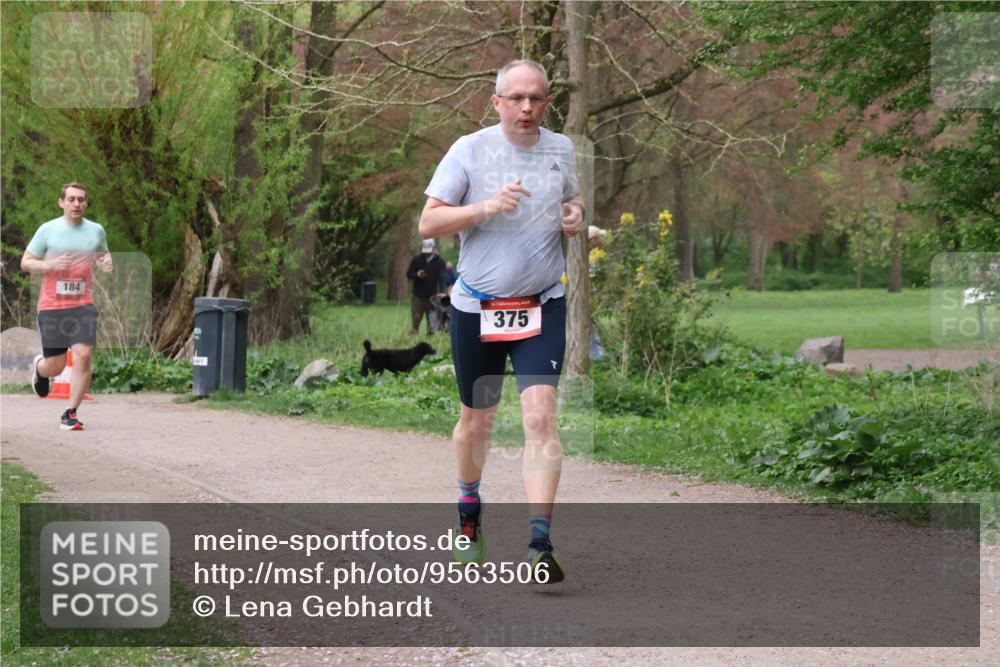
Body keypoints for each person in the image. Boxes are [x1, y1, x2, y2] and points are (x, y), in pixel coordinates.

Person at [418, 59, 585, 583]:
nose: (527, 108)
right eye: (516, 98)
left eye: (536, 98)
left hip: (542, 304)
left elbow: (572, 197)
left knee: (539, 419)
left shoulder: (561, 148)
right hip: (478, 308)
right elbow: (429, 220)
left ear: (547, 101)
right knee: (477, 422)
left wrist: (575, 214)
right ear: (497, 102)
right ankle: (469, 509)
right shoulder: (469, 150)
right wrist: (485, 206)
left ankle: (540, 543)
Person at [21, 183, 112, 431]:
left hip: (83, 304)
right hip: (52, 306)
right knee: (57, 365)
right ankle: (40, 368)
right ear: (61, 202)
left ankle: (70, 413)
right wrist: (49, 266)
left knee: (83, 356)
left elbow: (103, 253)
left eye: (81, 200)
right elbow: (26, 262)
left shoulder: (96, 231)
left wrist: (106, 260)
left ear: (86, 204)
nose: (76, 204)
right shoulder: (47, 230)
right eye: (71, 199)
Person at [406, 238, 446, 335]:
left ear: (433, 247)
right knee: (416, 318)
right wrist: (417, 275)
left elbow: (441, 278)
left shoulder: (440, 262)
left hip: (433, 295)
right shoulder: (416, 259)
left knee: (432, 320)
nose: (427, 253)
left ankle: (430, 338)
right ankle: (414, 335)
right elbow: (409, 274)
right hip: (418, 295)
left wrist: (442, 292)